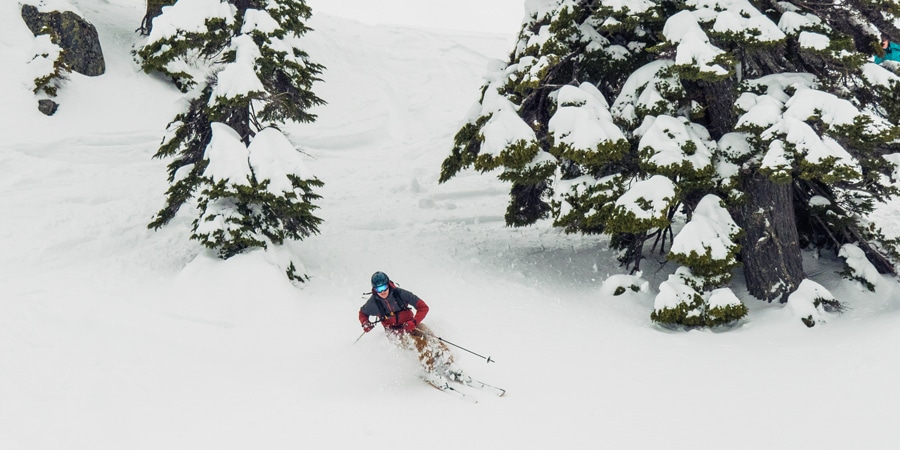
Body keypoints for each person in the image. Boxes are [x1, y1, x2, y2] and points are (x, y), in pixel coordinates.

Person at [358, 271, 461, 384]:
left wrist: (414, 321)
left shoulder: (401, 294)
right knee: (420, 343)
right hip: (395, 332)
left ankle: (449, 364)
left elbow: (423, 307)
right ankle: (429, 371)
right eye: (378, 289)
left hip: (411, 324)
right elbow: (362, 313)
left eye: (384, 287)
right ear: (374, 290)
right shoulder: (373, 303)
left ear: (388, 284)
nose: (382, 292)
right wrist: (365, 323)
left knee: (433, 339)